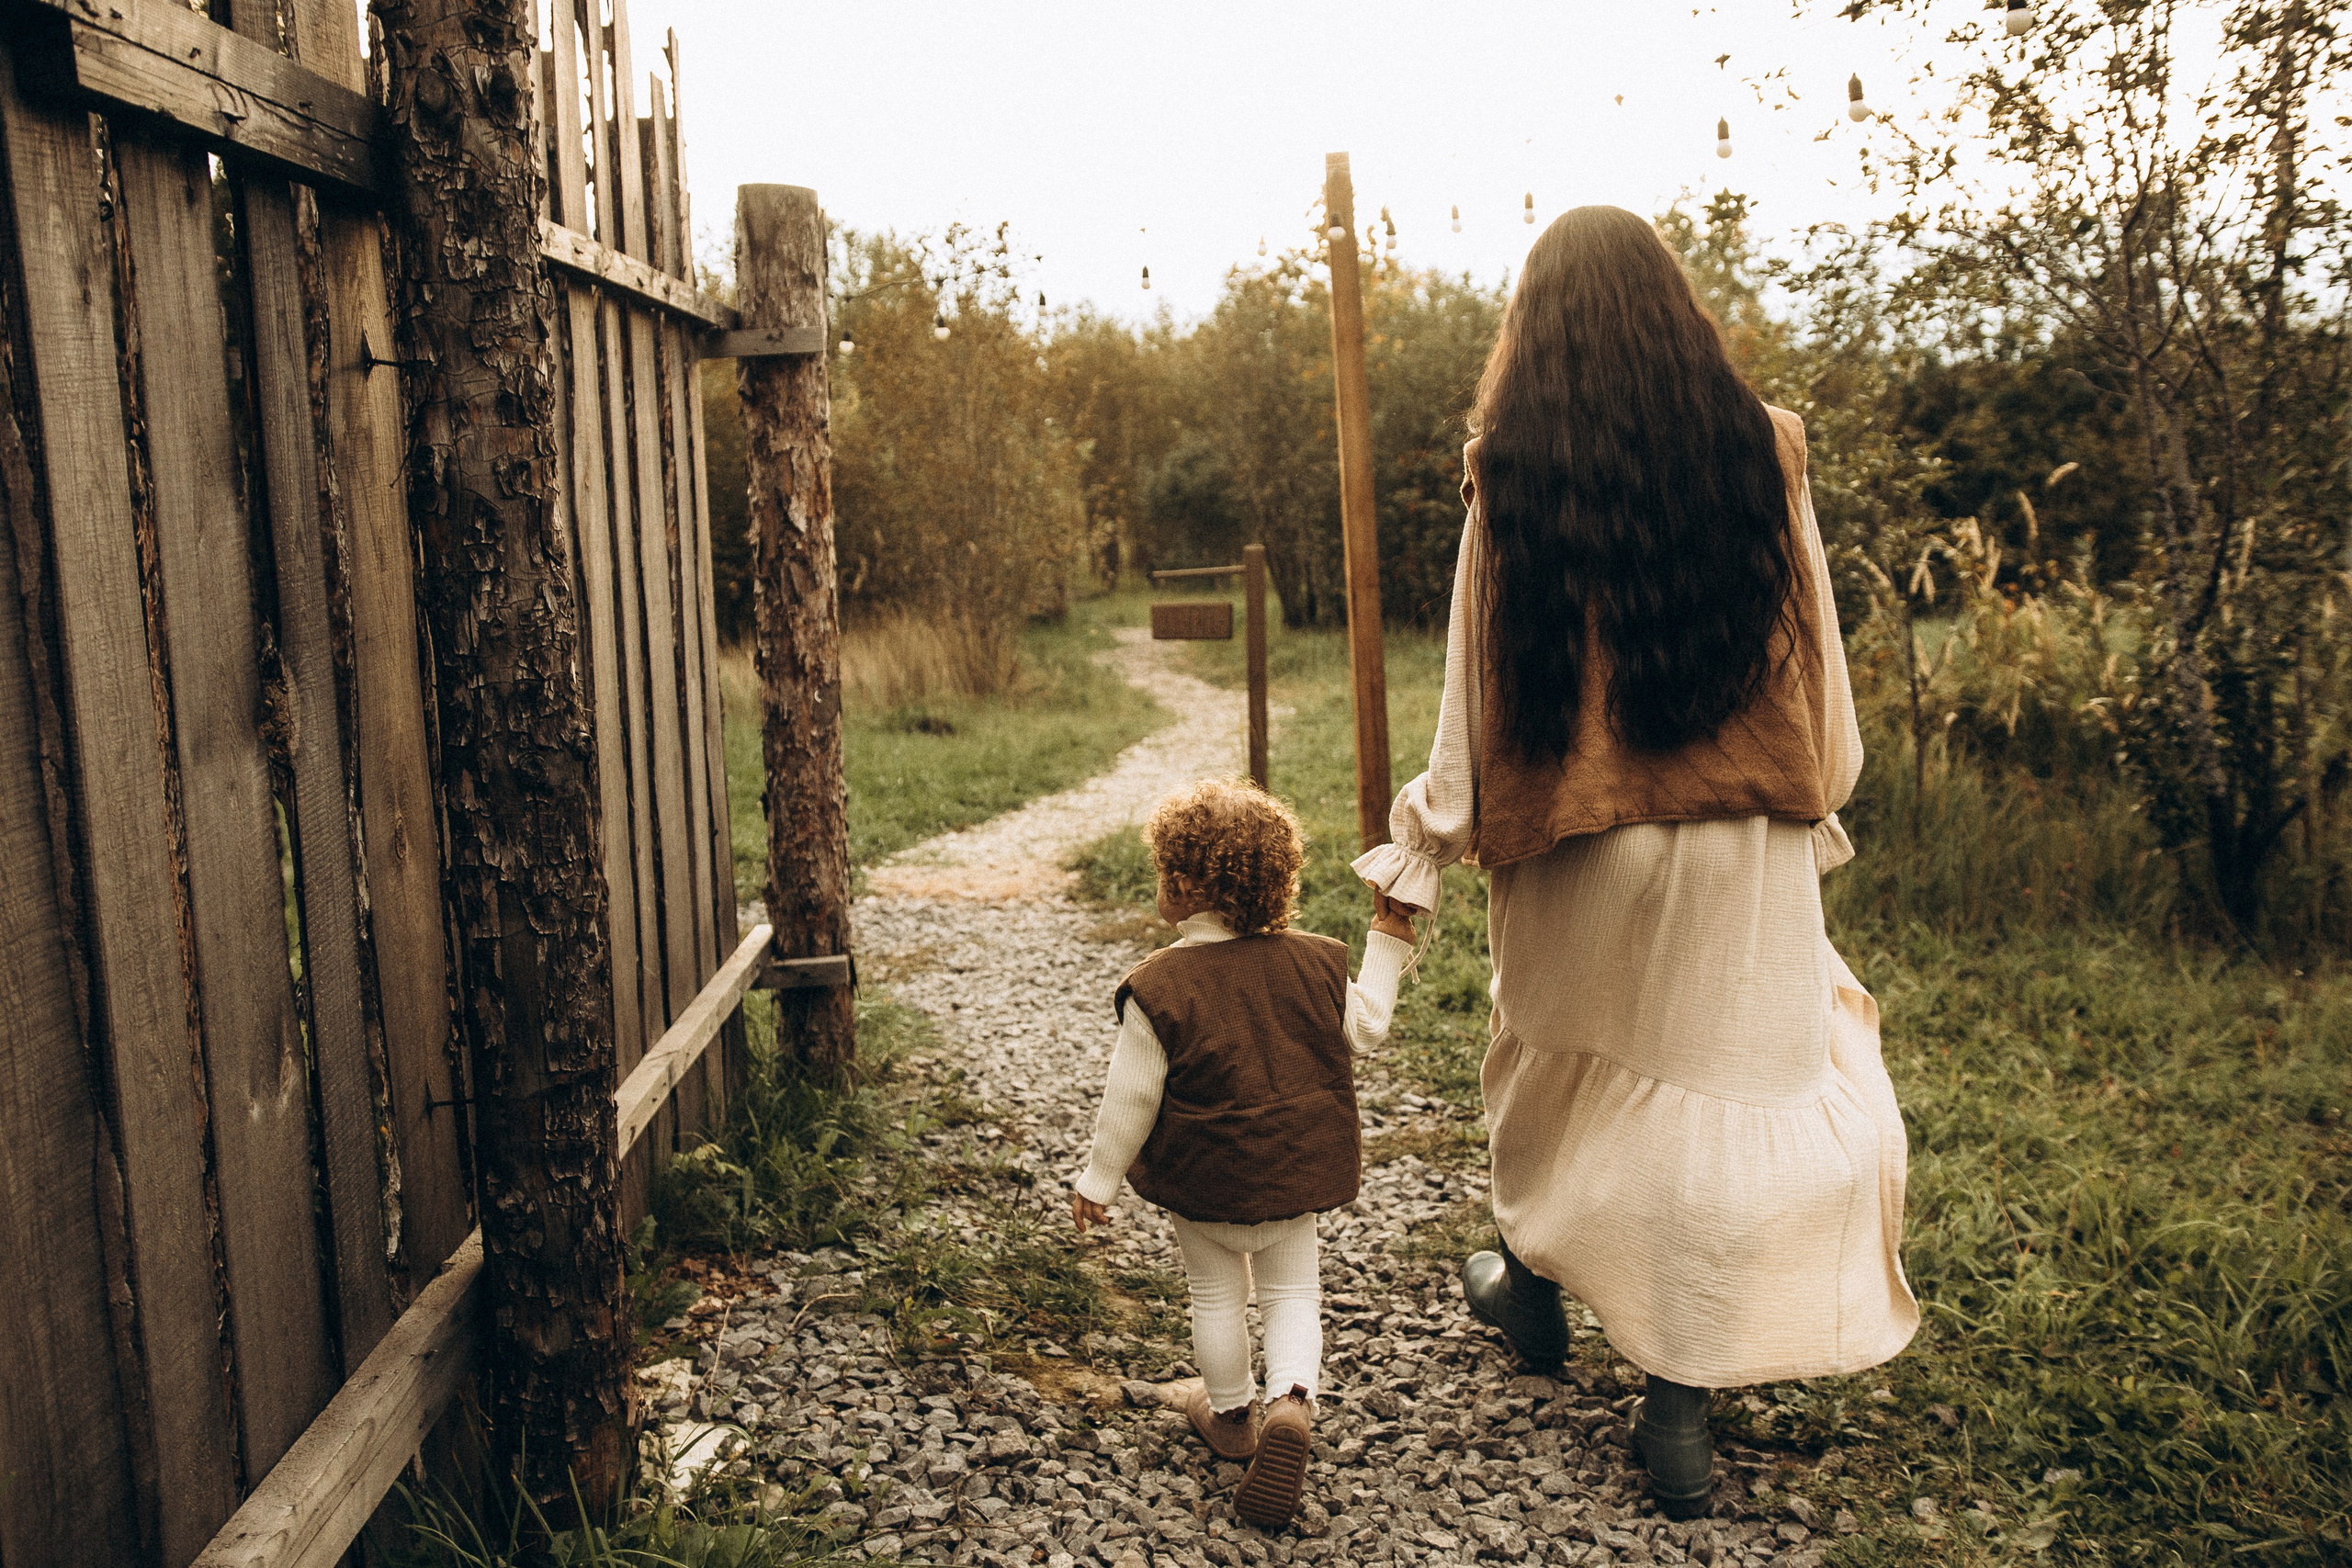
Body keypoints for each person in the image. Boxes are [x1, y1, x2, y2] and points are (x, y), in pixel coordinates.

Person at [1352, 205, 1918, 1520]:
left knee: (1556, 1069)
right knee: (1717, 1084)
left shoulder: (1514, 469)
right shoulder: (1760, 450)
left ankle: (1533, 1286)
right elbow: (1817, 653)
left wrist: (1427, 853)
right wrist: (1816, 797)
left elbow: (1470, 699)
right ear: (1678, 310)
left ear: (1531, 331)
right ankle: (1680, 1399)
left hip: (1574, 845)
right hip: (1741, 842)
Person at [1070, 778, 1415, 1529]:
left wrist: (1098, 1180)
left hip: (1208, 1187)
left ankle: (1230, 1415)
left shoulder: (1160, 987)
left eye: (1164, 870)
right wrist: (1388, 936)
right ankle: (1292, 1400)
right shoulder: (1317, 963)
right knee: (1293, 1295)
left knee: (1216, 1296)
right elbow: (1370, 1026)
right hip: (1296, 1180)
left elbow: (1129, 1099)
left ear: (1185, 886)